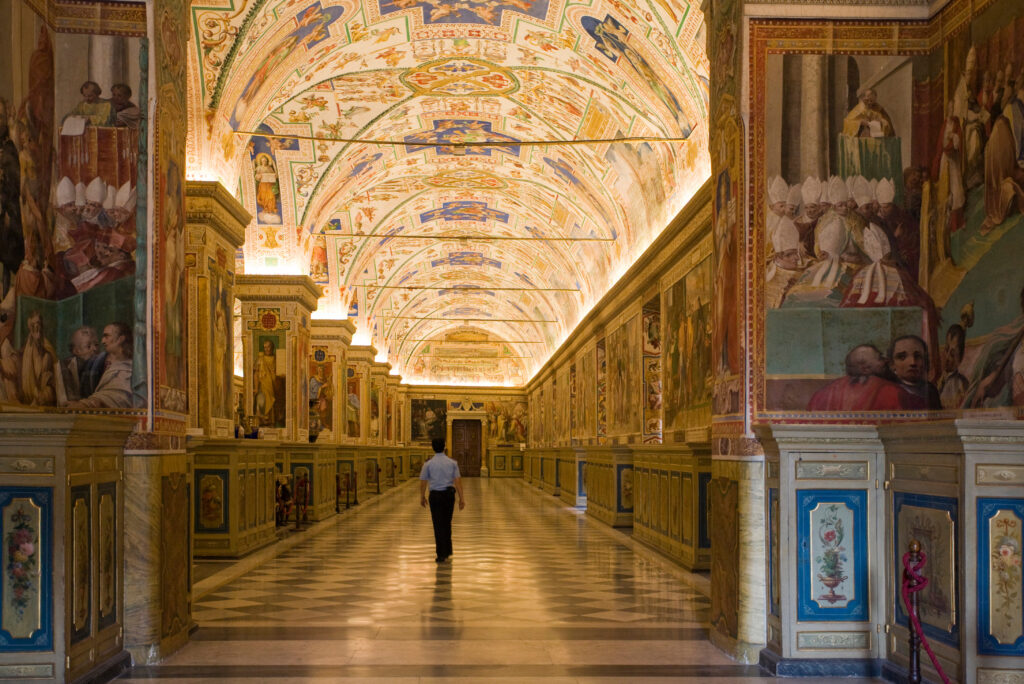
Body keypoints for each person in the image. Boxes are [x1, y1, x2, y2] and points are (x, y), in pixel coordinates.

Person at [807, 343, 907, 411]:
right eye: (880, 358)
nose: (886, 360)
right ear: (865, 369)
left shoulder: (824, 392)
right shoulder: (889, 390)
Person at [419, 437, 465, 563]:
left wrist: (422, 497)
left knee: (438, 524)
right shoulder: (452, 463)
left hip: (435, 496)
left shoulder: (428, 464)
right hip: (448, 496)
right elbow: (457, 481)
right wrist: (462, 498)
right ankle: (448, 550)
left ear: (433, 447)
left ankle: (441, 554)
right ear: (444, 447)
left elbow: (423, 482)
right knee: (447, 522)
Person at [67, 322, 133, 408]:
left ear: (120, 339)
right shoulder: (96, 362)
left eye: (106, 336)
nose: (103, 341)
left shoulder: (129, 366)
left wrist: (88, 403)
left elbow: (118, 396)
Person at [888, 334, 941, 410]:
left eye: (918, 356)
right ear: (892, 364)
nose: (912, 362)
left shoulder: (931, 390)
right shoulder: (887, 390)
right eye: (902, 357)